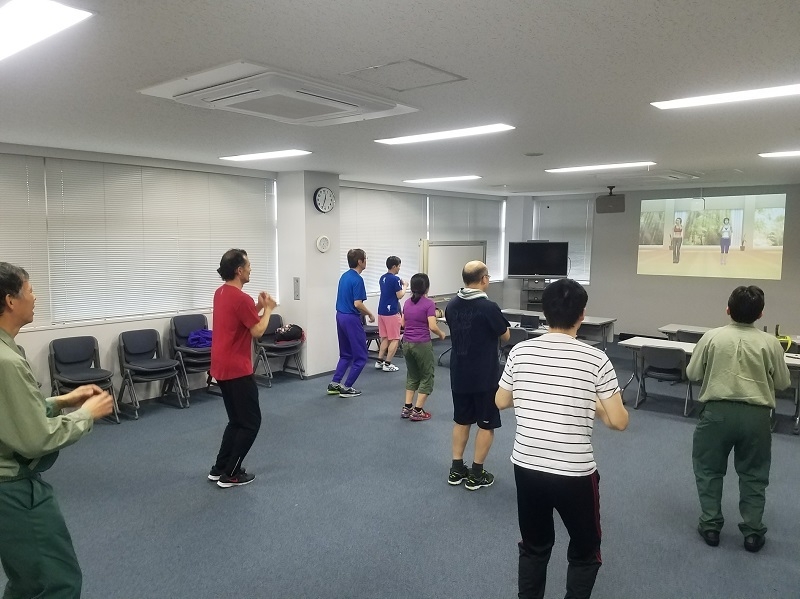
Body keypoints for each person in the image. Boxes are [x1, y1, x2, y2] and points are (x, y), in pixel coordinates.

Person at [495, 278, 628, 599]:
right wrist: (591, 402)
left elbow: (501, 400)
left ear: (544, 312)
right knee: (585, 549)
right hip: (574, 472)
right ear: (582, 315)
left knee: (534, 545)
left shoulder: (520, 351)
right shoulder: (595, 359)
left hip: (526, 464)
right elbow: (619, 421)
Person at [0, 262, 114, 598]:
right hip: (12, 490)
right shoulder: (6, 362)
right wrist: (85, 415)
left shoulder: (6, 350)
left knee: (27, 582)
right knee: (56, 583)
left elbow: (12, 413)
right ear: (10, 300)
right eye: (30, 290)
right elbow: (37, 438)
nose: (35, 297)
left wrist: (61, 400)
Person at [687, 285, 790, 552]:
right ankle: (752, 533)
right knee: (754, 474)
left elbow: (693, 373)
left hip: (716, 414)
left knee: (708, 470)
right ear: (761, 314)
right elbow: (783, 382)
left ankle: (710, 526)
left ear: (728, 310)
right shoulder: (771, 343)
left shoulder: (711, 337)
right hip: (756, 417)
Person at [209, 249, 276, 489]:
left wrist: (257, 306)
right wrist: (268, 309)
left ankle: (220, 468)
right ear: (239, 270)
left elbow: (242, 318)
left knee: (236, 420)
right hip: (237, 369)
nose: (250, 269)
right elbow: (257, 331)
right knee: (250, 423)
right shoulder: (240, 298)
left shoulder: (221, 293)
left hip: (221, 365)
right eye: (248, 266)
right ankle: (231, 474)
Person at [445, 261, 510, 490]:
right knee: (485, 424)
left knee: (461, 420)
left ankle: (456, 469)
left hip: (459, 373)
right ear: (483, 279)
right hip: (484, 376)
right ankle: (476, 474)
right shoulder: (489, 307)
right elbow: (505, 336)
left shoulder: (451, 304)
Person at [327, 249, 375, 398]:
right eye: (365, 259)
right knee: (361, 356)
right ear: (360, 261)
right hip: (351, 318)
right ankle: (347, 387)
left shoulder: (344, 276)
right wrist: (370, 313)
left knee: (346, 354)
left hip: (340, 316)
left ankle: (335, 383)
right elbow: (357, 303)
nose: (366, 261)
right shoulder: (357, 279)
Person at [400, 273, 446, 421]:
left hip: (406, 343)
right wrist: (441, 334)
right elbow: (432, 326)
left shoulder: (407, 303)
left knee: (412, 375)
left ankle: (407, 408)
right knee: (427, 376)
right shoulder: (429, 304)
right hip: (421, 344)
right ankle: (418, 411)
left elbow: (403, 323)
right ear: (426, 287)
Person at [375, 255, 406, 372]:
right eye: (398, 266)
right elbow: (400, 295)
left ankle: (379, 361)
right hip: (391, 312)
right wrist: (405, 286)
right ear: (394, 266)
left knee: (385, 337)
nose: (399, 268)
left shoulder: (382, 278)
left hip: (381, 311)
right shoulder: (395, 279)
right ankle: (387, 364)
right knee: (395, 338)